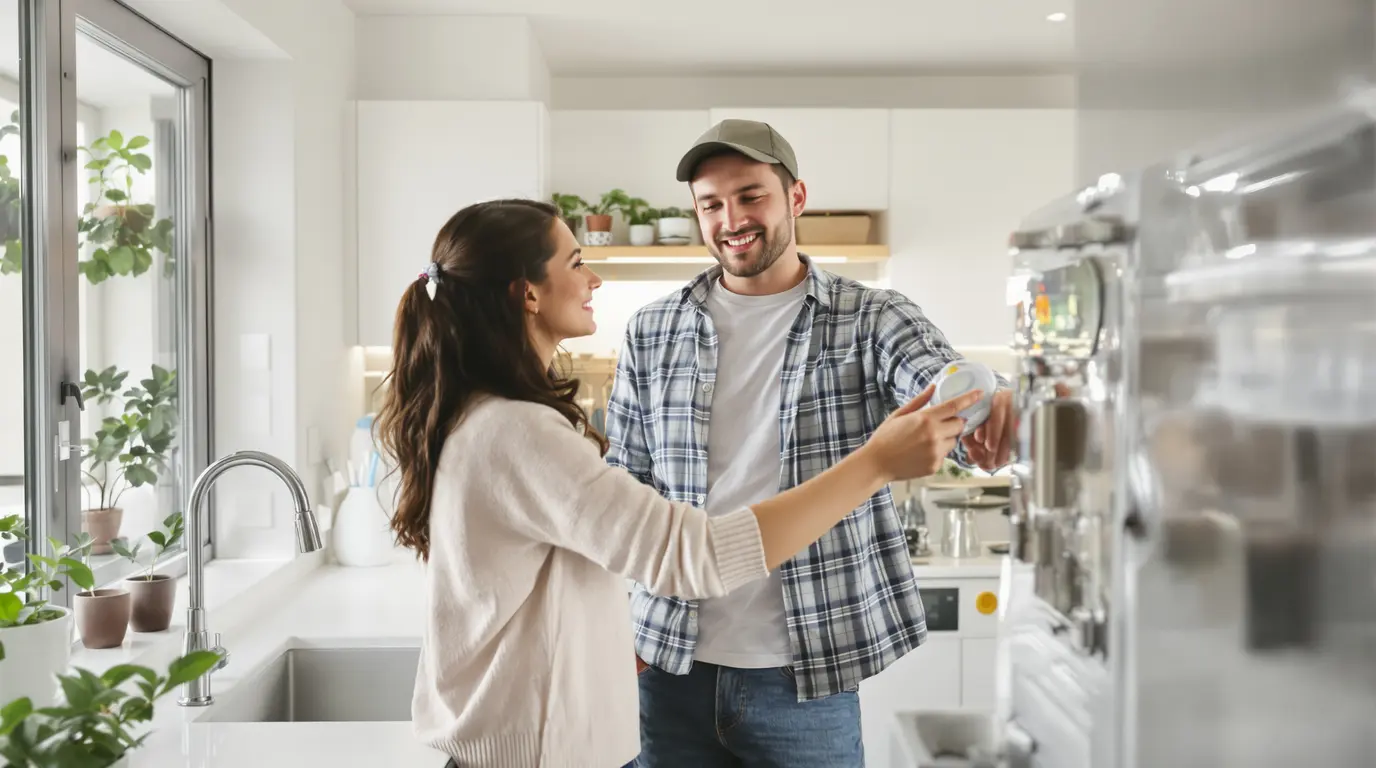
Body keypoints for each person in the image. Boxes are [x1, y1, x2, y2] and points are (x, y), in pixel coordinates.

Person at [372, 198, 986, 768]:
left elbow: (573, 561)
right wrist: (875, 463)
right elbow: (697, 554)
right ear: (527, 294)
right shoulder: (518, 432)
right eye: (577, 262)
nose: (594, 281)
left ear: (793, 198)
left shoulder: (488, 417)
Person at [605, 119, 1016, 766]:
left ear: (796, 198)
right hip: (667, 665)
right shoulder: (651, 330)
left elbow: (955, 399)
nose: (731, 219)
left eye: (750, 196)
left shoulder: (872, 317)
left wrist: (993, 394)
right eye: (711, 204)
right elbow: (623, 491)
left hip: (803, 678)